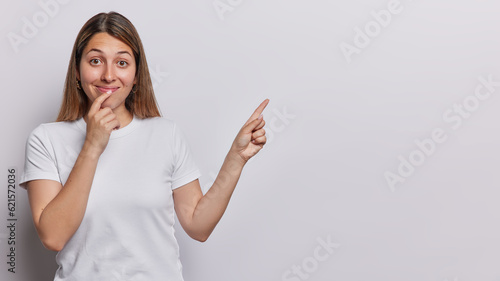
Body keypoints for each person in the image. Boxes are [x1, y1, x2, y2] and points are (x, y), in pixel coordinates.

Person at [20, 11, 268, 281]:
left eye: (122, 63)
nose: (108, 75)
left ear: (136, 75)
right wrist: (92, 146)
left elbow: (198, 226)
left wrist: (236, 158)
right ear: (77, 72)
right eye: (95, 61)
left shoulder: (166, 134)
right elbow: (53, 237)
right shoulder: (46, 139)